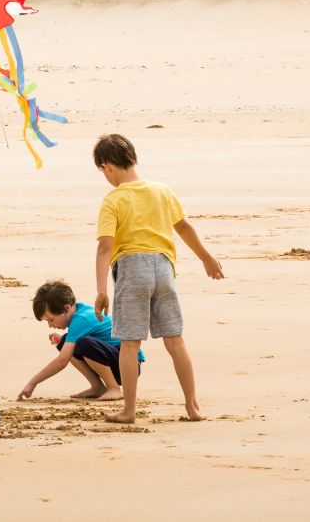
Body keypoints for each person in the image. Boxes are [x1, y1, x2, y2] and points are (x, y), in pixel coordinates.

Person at [92, 133, 224, 423]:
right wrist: (206, 257)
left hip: (131, 267)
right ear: (132, 159)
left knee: (130, 343)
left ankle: (129, 410)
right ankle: (192, 406)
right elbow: (184, 227)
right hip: (164, 268)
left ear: (107, 167)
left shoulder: (113, 198)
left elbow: (105, 247)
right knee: (175, 340)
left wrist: (102, 290)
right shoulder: (161, 190)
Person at [17, 280, 144, 402]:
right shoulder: (79, 310)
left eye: (51, 319)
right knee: (66, 342)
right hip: (114, 360)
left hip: (127, 366)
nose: (50, 325)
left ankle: (113, 388)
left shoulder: (81, 319)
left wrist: (32, 383)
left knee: (83, 344)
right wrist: (63, 340)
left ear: (67, 308)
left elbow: (62, 361)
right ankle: (98, 387)